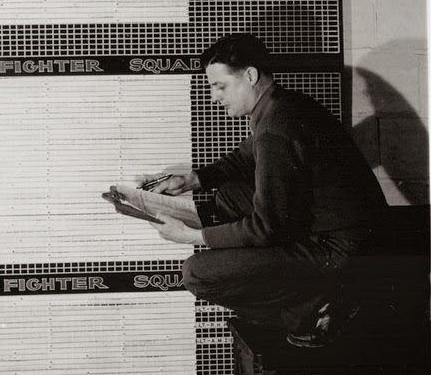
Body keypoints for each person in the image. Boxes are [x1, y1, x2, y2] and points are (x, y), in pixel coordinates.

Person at [141, 33, 387, 347]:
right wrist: (191, 180)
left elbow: (267, 228)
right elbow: (244, 158)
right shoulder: (282, 105)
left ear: (250, 76)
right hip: (344, 230)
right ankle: (312, 295)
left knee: (196, 273)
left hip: (341, 251)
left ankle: (316, 309)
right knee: (229, 196)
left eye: (220, 86)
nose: (214, 97)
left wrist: (192, 236)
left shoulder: (275, 127)